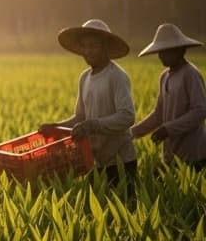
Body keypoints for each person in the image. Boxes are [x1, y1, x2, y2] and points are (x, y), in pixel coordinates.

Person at [39, 19, 137, 192]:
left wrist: (94, 125)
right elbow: (80, 118)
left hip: (120, 161)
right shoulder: (85, 78)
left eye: (93, 46)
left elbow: (127, 116)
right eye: (84, 46)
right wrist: (56, 127)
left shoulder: (117, 76)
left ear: (105, 47)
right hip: (93, 160)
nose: (88, 51)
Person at [131, 23, 206, 170]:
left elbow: (200, 111)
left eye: (165, 52)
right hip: (172, 153)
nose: (160, 56)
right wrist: (132, 133)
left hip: (194, 153)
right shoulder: (164, 76)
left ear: (180, 50)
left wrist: (168, 129)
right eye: (159, 52)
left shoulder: (190, 74)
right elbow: (158, 114)